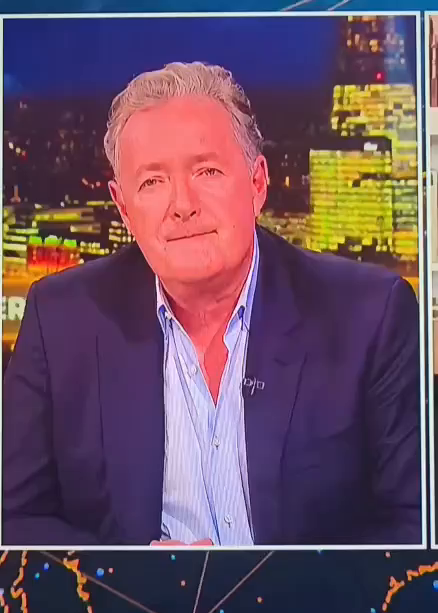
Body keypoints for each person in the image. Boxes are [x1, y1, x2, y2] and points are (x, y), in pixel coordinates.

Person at [3, 62, 421, 546]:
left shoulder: (369, 316)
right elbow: (14, 518)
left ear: (257, 183)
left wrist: (263, 583)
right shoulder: (61, 321)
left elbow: (411, 524)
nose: (182, 204)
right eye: (152, 182)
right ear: (123, 208)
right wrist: (142, 577)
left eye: (207, 171)